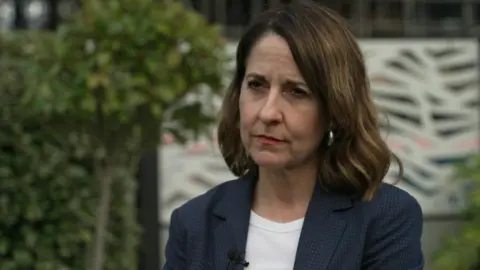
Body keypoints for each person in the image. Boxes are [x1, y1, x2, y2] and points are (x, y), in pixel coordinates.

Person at [163, 0, 424, 269]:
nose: (268, 112)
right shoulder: (194, 223)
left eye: (296, 91)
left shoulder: (384, 218)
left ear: (335, 108)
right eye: (256, 85)